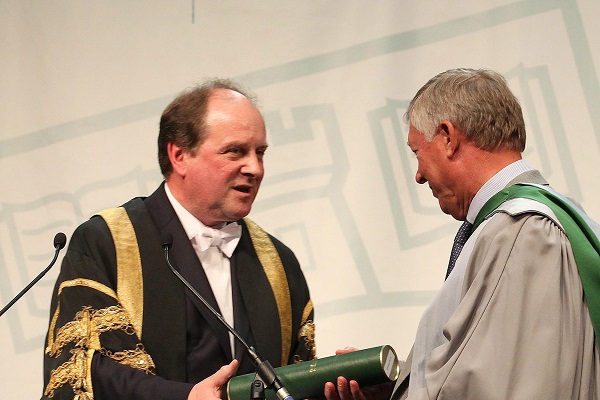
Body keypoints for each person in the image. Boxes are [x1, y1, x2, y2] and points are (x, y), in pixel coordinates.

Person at [323, 68, 600, 399]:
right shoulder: (554, 218)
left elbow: (499, 387)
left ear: (447, 137)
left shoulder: (523, 230)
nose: (419, 175)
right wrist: (400, 387)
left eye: (417, 152)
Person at [42, 79, 316, 400]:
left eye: (260, 153)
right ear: (180, 155)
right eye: (236, 152)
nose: (255, 168)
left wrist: (344, 388)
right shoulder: (106, 243)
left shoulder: (278, 262)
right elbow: (85, 370)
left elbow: (296, 382)